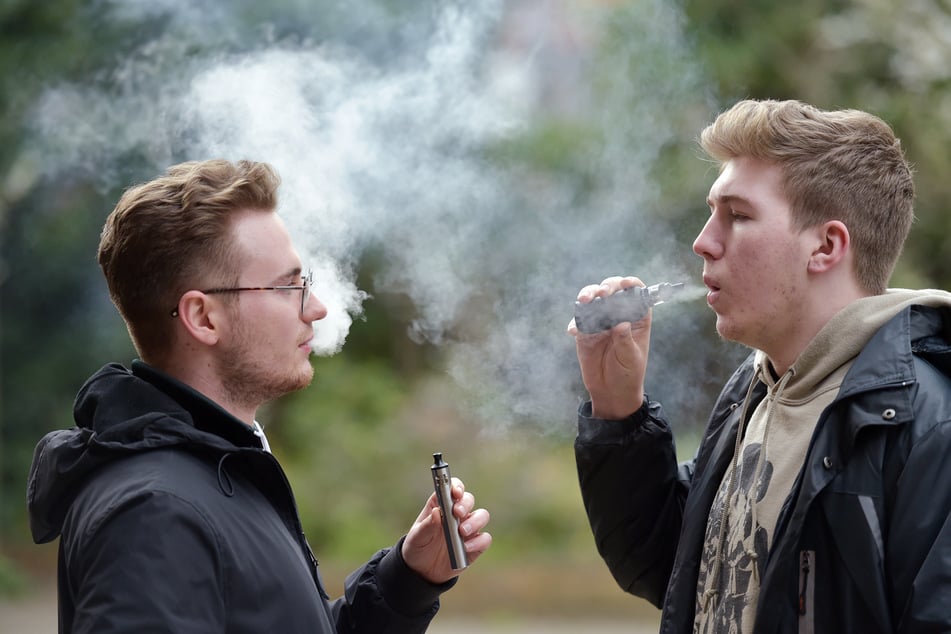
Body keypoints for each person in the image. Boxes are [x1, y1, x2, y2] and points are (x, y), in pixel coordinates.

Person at [27, 159, 492, 633]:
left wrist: (406, 581)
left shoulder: (215, 470)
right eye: (288, 286)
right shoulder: (155, 513)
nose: (316, 307)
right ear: (203, 318)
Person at [570, 99, 951, 632]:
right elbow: (672, 571)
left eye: (738, 215)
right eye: (711, 212)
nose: (703, 242)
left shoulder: (928, 426)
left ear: (825, 246)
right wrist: (617, 408)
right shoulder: (755, 392)